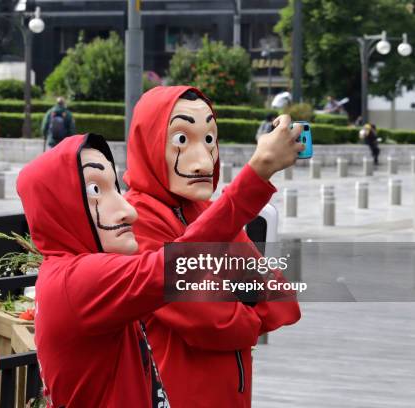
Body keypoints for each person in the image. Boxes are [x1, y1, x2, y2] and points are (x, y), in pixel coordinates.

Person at [17, 126, 299, 407]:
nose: (129, 211)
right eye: (94, 190)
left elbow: (276, 296)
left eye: (115, 187)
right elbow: (181, 269)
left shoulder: (70, 274)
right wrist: (258, 171)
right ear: (58, 206)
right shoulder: (78, 279)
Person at [124, 86, 302, 408]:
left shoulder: (206, 213)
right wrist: (242, 300)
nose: (203, 159)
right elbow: (214, 323)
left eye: (209, 139)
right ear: (148, 142)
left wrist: (225, 292)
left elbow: (281, 298)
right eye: (181, 139)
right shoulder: (135, 223)